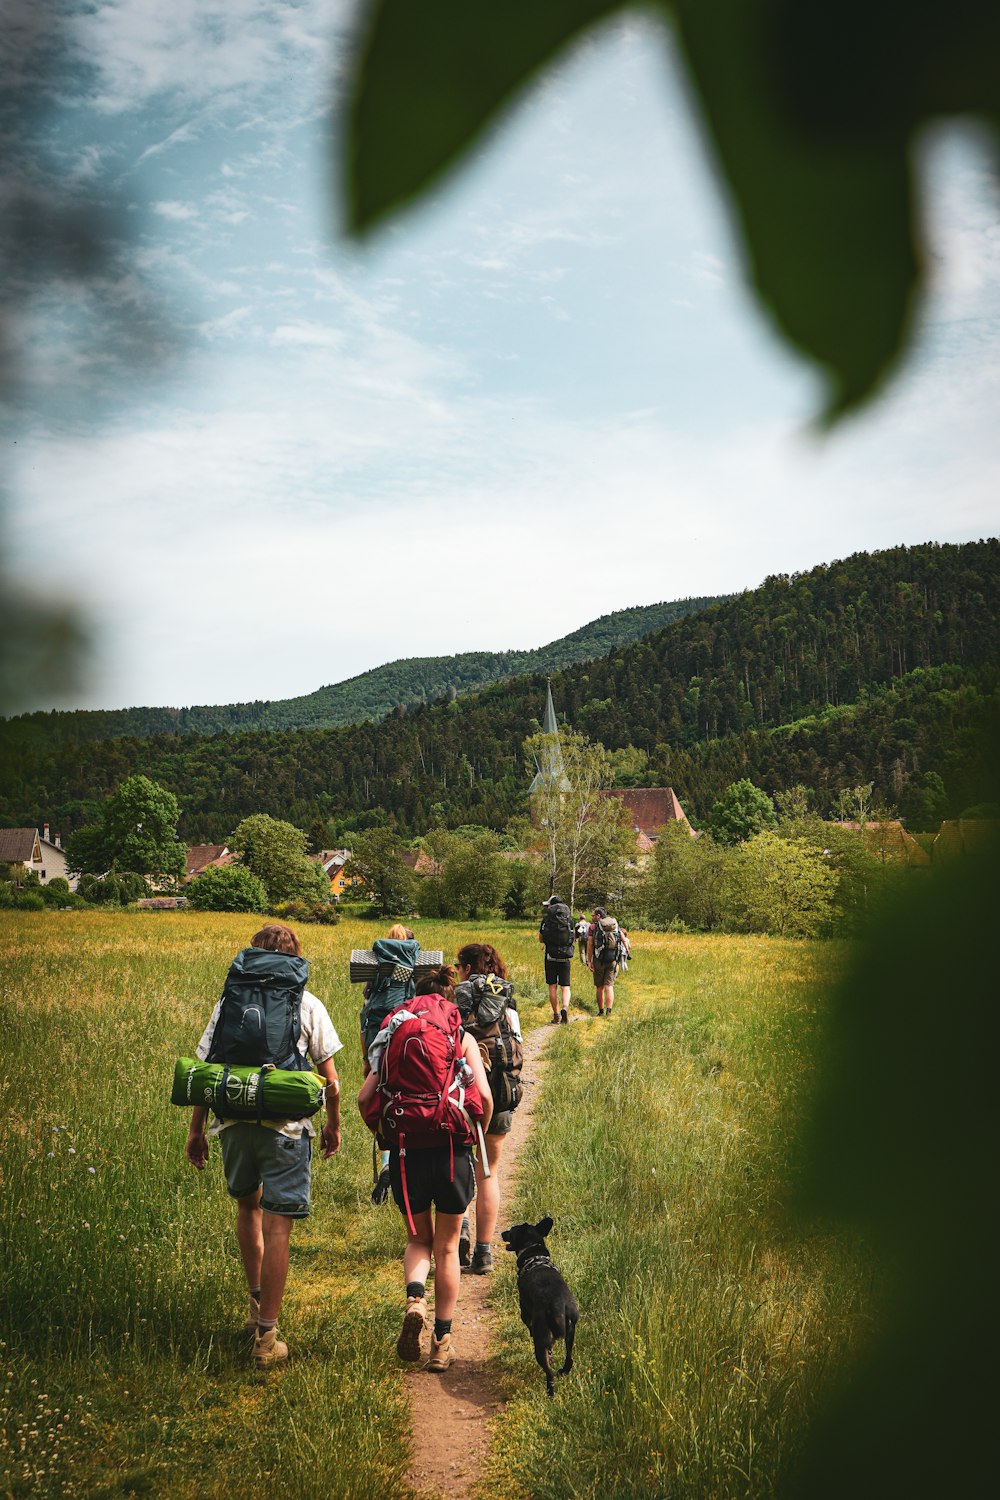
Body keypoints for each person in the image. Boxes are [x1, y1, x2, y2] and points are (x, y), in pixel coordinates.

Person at [185, 923, 342, 1368]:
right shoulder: (306, 1003)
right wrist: (332, 1125)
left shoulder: (228, 1003)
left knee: (247, 1209)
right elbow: (331, 1082)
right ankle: (267, 1337)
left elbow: (205, 1072)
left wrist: (197, 1132)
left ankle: (256, 1307)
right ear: (294, 959)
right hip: (286, 1129)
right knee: (278, 1229)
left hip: (233, 1123)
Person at [358, 977, 492, 1373]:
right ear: (449, 1001)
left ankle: (415, 1298)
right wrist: (475, 1125)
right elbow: (483, 1098)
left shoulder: (393, 1032)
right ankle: (441, 1343)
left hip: (405, 1152)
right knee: (448, 1248)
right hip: (451, 1149)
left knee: (418, 1239)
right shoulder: (459, 1035)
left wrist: (384, 1134)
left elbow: (365, 1098)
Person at [454, 942, 522, 1274]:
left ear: (467, 968)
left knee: (459, 1166)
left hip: (465, 1097)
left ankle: (461, 1230)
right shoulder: (506, 1002)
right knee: (488, 1173)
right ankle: (483, 1254)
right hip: (501, 1095)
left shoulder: (457, 1000)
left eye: (457, 965)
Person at [360, 924, 417, 1205]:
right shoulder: (416, 961)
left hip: (374, 1035)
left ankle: (386, 1161)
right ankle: (406, 1160)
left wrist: (365, 1059)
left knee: (379, 1100)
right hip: (405, 1034)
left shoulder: (376, 964)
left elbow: (366, 1009)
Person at [538, 895, 575, 1023]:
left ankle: (556, 1015)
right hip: (565, 957)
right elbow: (573, 937)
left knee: (552, 986)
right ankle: (565, 1007)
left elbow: (541, 939)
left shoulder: (546, 920)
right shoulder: (570, 920)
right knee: (565, 987)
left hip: (550, 957)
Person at [587, 906, 621, 1016]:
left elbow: (590, 944)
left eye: (593, 915)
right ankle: (609, 1011)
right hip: (612, 959)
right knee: (609, 986)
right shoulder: (614, 925)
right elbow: (622, 940)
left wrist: (589, 960)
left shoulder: (593, 927)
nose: (592, 917)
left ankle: (601, 1011)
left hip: (599, 959)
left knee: (600, 987)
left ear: (598, 916)